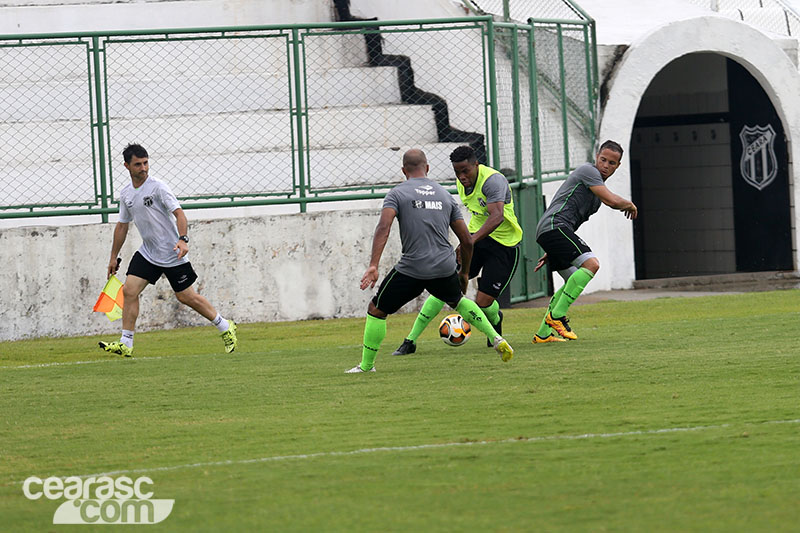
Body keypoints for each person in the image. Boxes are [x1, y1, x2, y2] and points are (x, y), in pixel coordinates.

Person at [347, 148, 514, 373]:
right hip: (444, 266)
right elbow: (466, 240)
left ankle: (367, 366)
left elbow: (383, 227)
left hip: (413, 266)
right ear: (427, 168)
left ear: (404, 170)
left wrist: (374, 265)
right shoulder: (445, 195)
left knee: (377, 309)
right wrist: (464, 272)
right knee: (458, 300)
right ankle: (496, 339)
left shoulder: (397, 193)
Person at [98, 144, 238, 357]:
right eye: (138, 164)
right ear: (126, 166)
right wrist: (112, 257)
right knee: (129, 291)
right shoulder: (126, 194)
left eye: (145, 163)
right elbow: (122, 226)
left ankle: (225, 326)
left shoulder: (158, 187)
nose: (143, 168)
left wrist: (183, 240)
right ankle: (126, 342)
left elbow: (180, 214)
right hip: (148, 253)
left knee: (186, 297)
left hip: (173, 253)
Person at [392, 145, 523, 355]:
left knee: (484, 302)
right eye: (457, 172)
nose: (461, 177)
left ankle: (495, 323)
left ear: (476, 165)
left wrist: (469, 240)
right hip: (475, 239)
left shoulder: (493, 181)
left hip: (504, 245)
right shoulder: (461, 183)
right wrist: (465, 242)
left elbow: (496, 216)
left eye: (465, 171)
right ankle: (410, 341)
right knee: (444, 284)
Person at [532, 140, 638, 343]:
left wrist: (554, 249)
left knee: (572, 278)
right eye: (603, 159)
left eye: (612, 163)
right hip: (554, 226)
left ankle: (542, 334)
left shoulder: (595, 200)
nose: (606, 165)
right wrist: (630, 205)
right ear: (597, 157)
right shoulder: (588, 171)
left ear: (618, 166)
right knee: (592, 264)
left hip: (555, 232)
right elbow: (613, 201)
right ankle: (557, 317)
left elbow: (575, 222)